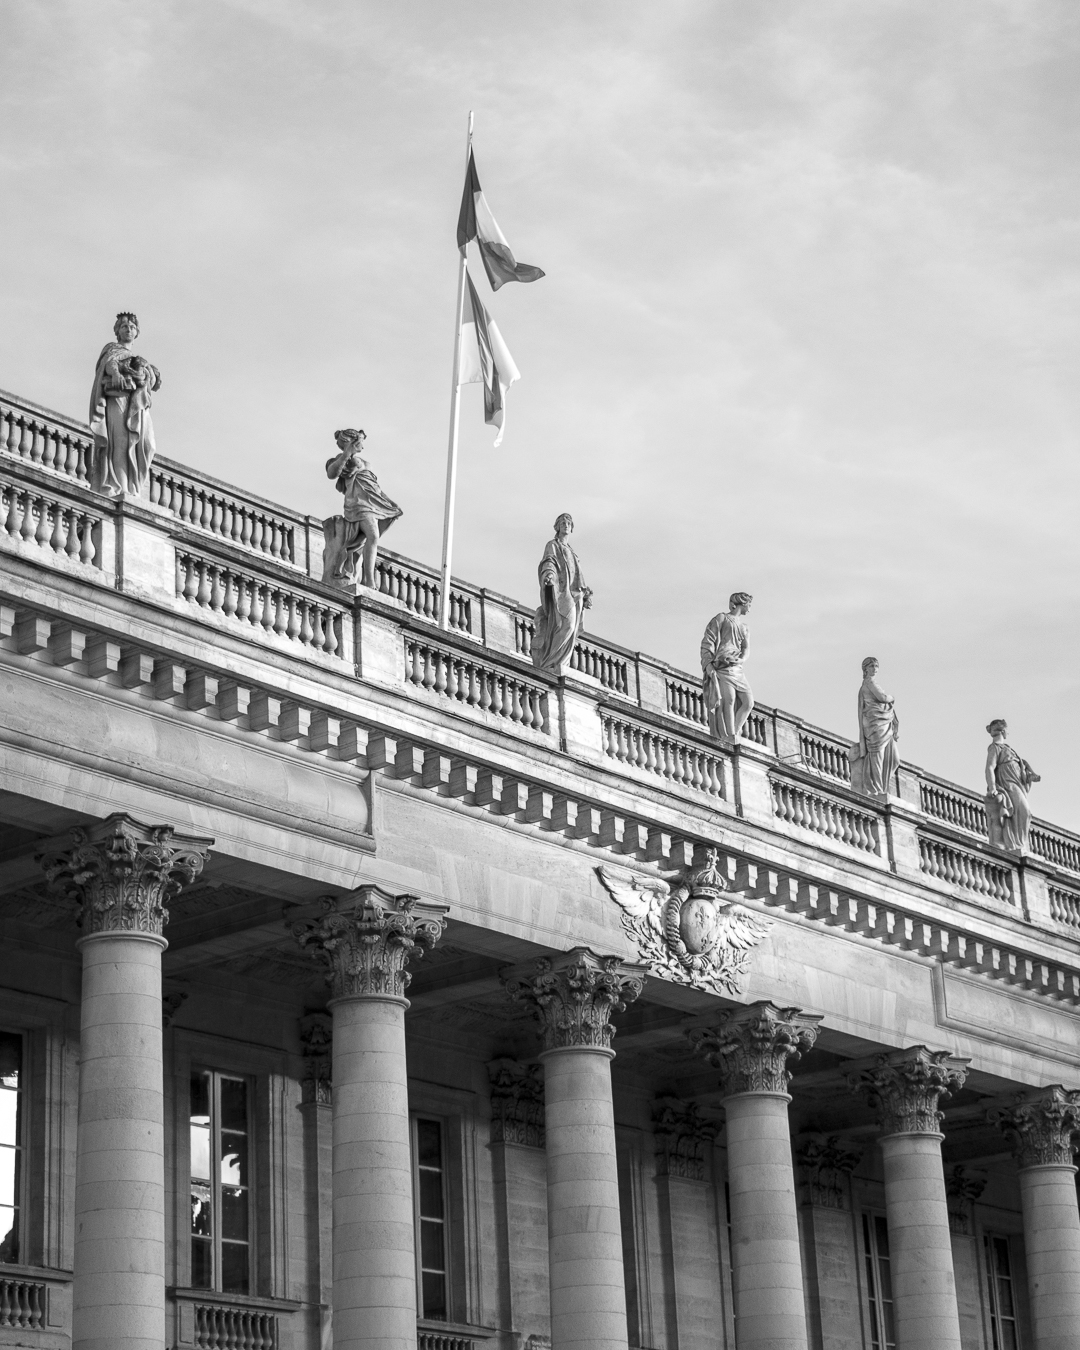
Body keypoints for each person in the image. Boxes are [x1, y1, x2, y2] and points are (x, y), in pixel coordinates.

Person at [89, 312, 162, 497]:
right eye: (124, 326)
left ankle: (135, 486)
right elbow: (109, 363)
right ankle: (120, 487)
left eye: (132, 327)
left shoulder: (139, 359)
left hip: (138, 404)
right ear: (117, 331)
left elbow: (154, 382)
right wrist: (115, 374)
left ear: (137, 332)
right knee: (121, 442)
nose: (128, 329)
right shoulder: (112, 349)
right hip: (118, 399)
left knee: (147, 445)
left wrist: (146, 375)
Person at [322, 429, 402, 588]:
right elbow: (332, 473)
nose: (363, 447)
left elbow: (374, 487)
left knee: (372, 537)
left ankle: (368, 579)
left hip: (372, 503)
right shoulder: (341, 459)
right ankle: (369, 580)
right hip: (358, 504)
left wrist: (389, 503)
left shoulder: (364, 462)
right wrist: (346, 453)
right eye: (360, 443)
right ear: (351, 442)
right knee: (373, 535)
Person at [532, 513, 592, 674]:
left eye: (569, 523)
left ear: (572, 528)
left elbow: (578, 574)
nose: (566, 525)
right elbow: (549, 561)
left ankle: (561, 662)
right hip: (562, 591)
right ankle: (552, 661)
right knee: (567, 625)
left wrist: (586, 593)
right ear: (557, 527)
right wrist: (549, 575)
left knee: (571, 629)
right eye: (562, 522)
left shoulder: (573, 552)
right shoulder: (552, 545)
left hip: (575, 593)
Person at [700, 593, 754, 741]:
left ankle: (735, 732)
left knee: (748, 702)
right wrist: (708, 664)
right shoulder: (722, 618)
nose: (750, 608)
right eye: (749, 604)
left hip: (737, 668)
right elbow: (708, 642)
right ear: (742, 603)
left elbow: (746, 649)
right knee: (728, 700)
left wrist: (741, 660)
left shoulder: (745, 627)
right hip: (722, 665)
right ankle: (730, 735)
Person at [985, 719, 1040, 854]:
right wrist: (992, 787)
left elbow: (1017, 770)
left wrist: (1028, 776)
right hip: (1007, 785)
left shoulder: (1008, 749)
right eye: (1007, 730)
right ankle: (1015, 844)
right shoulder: (995, 747)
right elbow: (990, 768)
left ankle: (1018, 844)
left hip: (1017, 784)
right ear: (1003, 731)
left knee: (1024, 813)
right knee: (1024, 811)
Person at [849, 657, 900, 795]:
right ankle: (876, 788)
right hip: (875, 726)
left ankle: (881, 786)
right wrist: (892, 697)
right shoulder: (869, 683)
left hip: (883, 724)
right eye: (871, 666)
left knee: (894, 759)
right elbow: (882, 698)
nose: (875, 669)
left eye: (876, 666)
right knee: (878, 758)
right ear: (865, 669)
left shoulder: (872, 683)